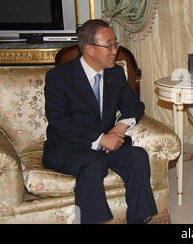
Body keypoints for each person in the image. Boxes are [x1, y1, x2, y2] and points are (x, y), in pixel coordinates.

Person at [43, 19, 157, 224]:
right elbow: (59, 121)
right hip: (69, 146)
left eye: (116, 44)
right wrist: (100, 138)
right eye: (109, 45)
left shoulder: (115, 73)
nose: (115, 51)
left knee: (137, 156)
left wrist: (119, 127)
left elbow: (134, 105)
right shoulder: (59, 77)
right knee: (93, 162)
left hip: (107, 144)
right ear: (90, 49)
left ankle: (140, 218)